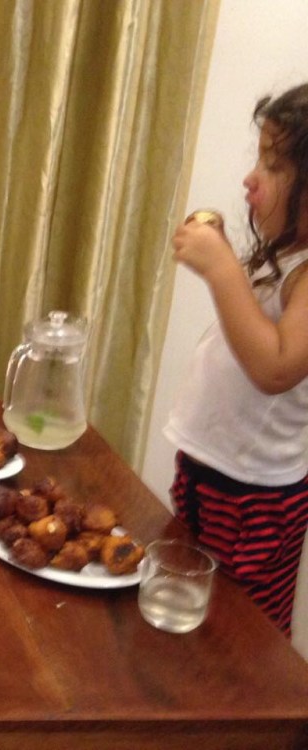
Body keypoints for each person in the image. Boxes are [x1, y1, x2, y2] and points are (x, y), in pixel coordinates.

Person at [164, 82, 308, 637]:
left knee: (244, 635)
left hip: (256, 501)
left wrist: (222, 269)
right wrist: (226, 258)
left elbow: (276, 367)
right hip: (209, 475)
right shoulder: (286, 258)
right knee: (190, 605)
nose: (251, 177)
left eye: (273, 165)